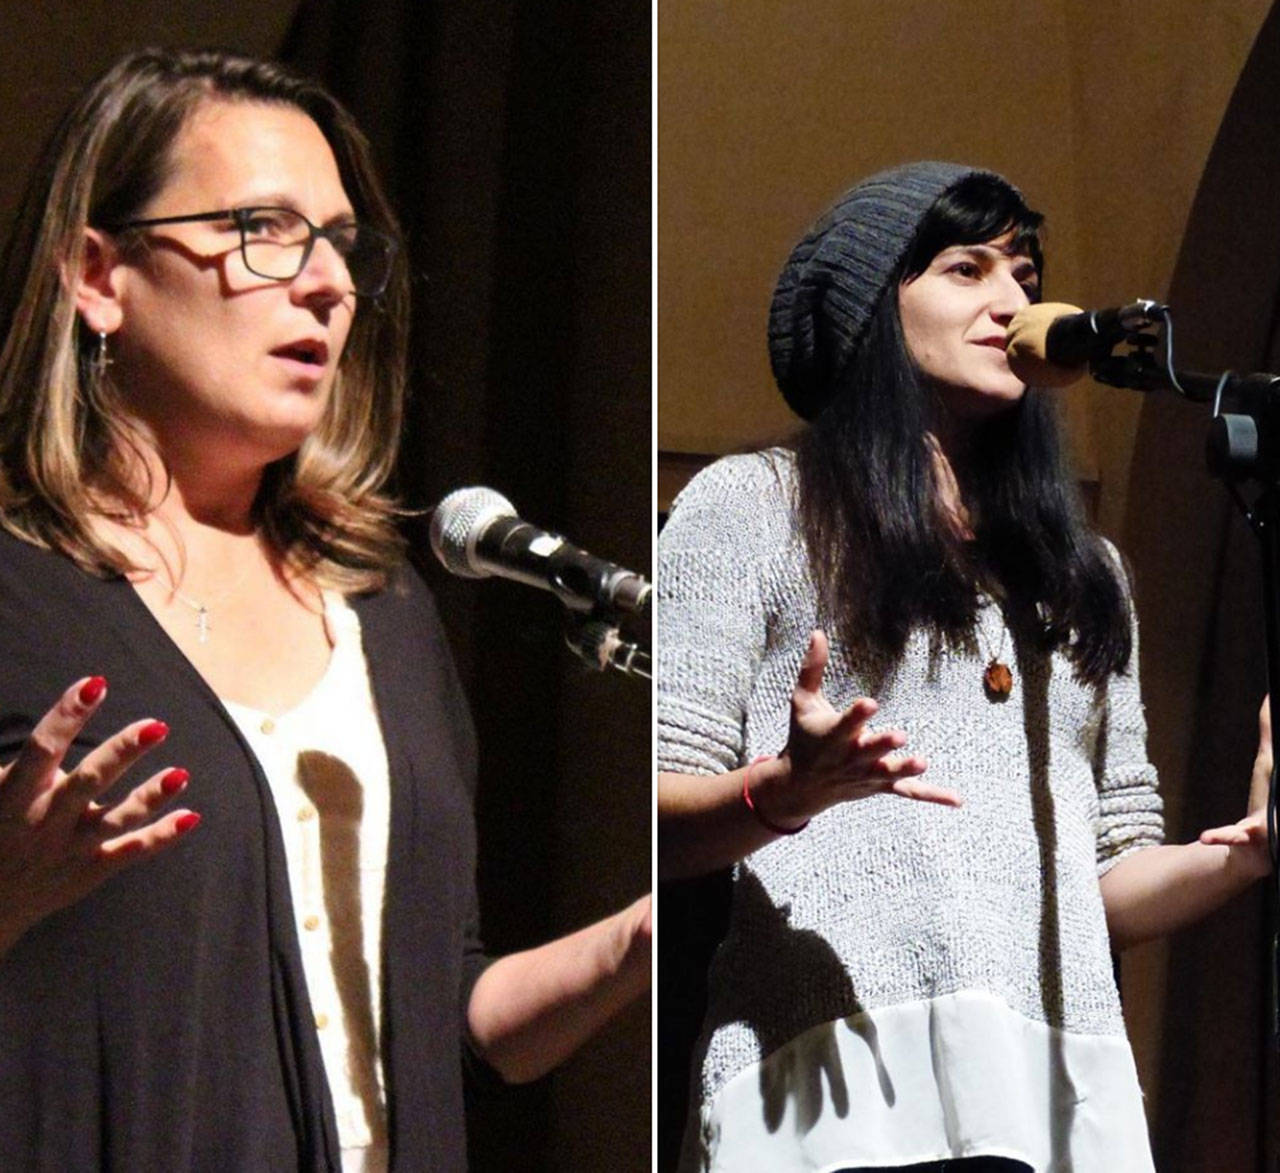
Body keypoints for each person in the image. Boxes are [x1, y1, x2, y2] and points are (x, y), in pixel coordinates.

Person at [0, 48, 649, 1172]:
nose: (329, 285)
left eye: (344, 245)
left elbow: (444, 1008)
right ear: (100, 275)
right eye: (264, 229)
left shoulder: (381, 607)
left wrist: (637, 942)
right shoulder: (18, 598)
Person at [657, 161, 1271, 1172]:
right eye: (965, 268)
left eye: (1025, 276)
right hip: (835, 1075)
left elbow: (1106, 878)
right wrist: (786, 789)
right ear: (869, 308)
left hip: (1048, 1093)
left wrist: (1245, 853)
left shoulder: (1085, 575)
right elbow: (654, 810)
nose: (1013, 300)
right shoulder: (754, 507)